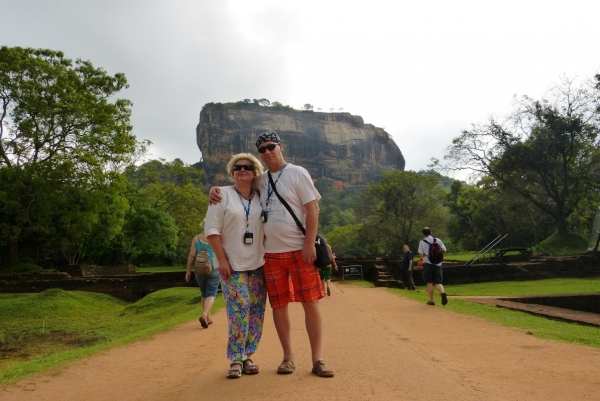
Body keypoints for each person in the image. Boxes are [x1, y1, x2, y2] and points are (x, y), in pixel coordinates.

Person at [210, 131, 334, 378]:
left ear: (281, 147)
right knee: (279, 305)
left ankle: (318, 358)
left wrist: (309, 243)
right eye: (262, 149)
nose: (267, 152)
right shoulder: (261, 180)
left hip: (300, 250)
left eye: (271, 147)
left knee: (310, 303)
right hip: (271, 255)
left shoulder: (297, 173)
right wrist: (214, 190)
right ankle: (288, 357)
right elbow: (238, 185)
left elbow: (313, 209)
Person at [205, 153, 267, 379]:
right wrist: (221, 260)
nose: (243, 170)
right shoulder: (221, 195)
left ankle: (248, 354)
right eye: (238, 167)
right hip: (232, 264)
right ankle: (235, 358)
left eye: (248, 167)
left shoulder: (261, 196)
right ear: (232, 172)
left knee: (256, 311)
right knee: (239, 309)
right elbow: (211, 231)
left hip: (258, 263)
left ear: (255, 174)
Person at [185, 221, 220, 328]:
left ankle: (208, 316)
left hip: (199, 270)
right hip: (213, 269)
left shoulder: (196, 239)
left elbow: (191, 256)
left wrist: (188, 271)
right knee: (211, 294)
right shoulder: (215, 237)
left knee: (203, 293)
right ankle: (205, 314)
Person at [417, 227, 448, 306]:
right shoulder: (437, 240)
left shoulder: (422, 242)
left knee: (429, 282)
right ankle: (442, 293)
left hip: (428, 264)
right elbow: (444, 250)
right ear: (431, 232)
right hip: (438, 264)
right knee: (438, 282)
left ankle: (432, 300)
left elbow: (421, 254)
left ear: (423, 234)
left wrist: (425, 255)